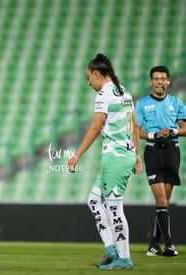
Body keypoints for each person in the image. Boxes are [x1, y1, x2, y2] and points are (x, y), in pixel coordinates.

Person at [68, 53, 142, 269]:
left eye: (88, 77)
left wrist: (77, 154)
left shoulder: (104, 94)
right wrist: (136, 155)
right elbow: (135, 125)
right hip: (124, 155)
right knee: (93, 201)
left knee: (114, 209)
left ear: (97, 75)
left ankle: (124, 258)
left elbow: (95, 128)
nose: (88, 82)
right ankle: (111, 248)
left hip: (115, 158)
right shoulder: (124, 92)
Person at [135, 65, 186, 257]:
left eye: (162, 78)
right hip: (153, 151)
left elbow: (185, 128)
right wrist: (154, 134)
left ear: (168, 81)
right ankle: (170, 244)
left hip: (172, 152)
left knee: (164, 203)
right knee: (162, 200)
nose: (159, 82)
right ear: (151, 82)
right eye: (155, 78)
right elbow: (136, 130)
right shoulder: (142, 103)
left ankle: (153, 245)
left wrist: (173, 131)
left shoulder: (176, 102)